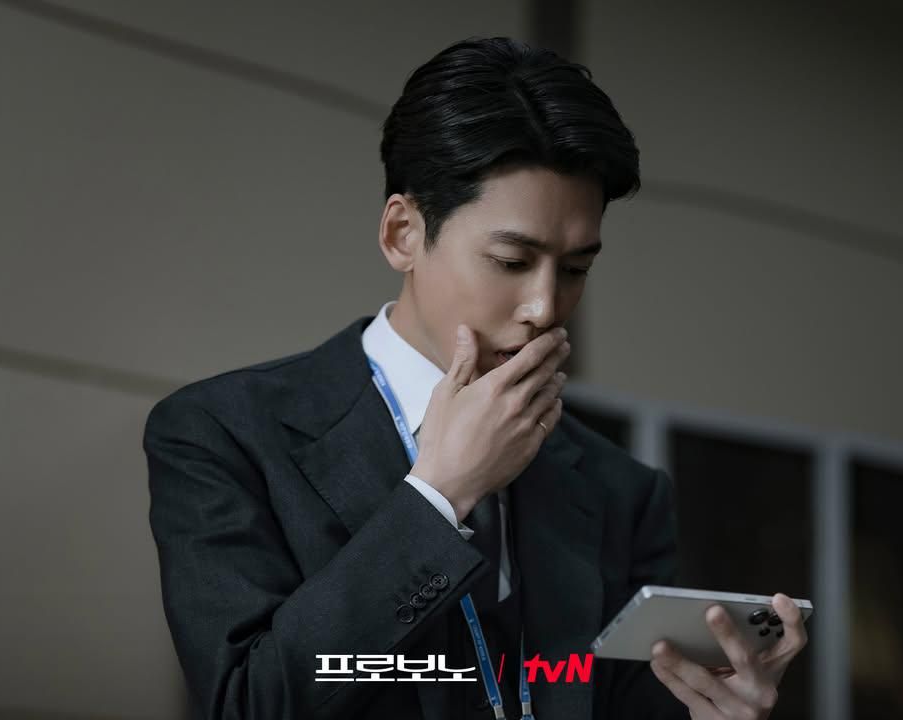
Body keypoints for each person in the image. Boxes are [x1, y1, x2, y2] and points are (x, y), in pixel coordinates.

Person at [143, 36, 807, 720]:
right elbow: (250, 703)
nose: (545, 306)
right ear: (403, 233)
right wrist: (440, 495)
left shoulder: (620, 493)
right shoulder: (224, 434)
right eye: (512, 261)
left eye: (575, 269)